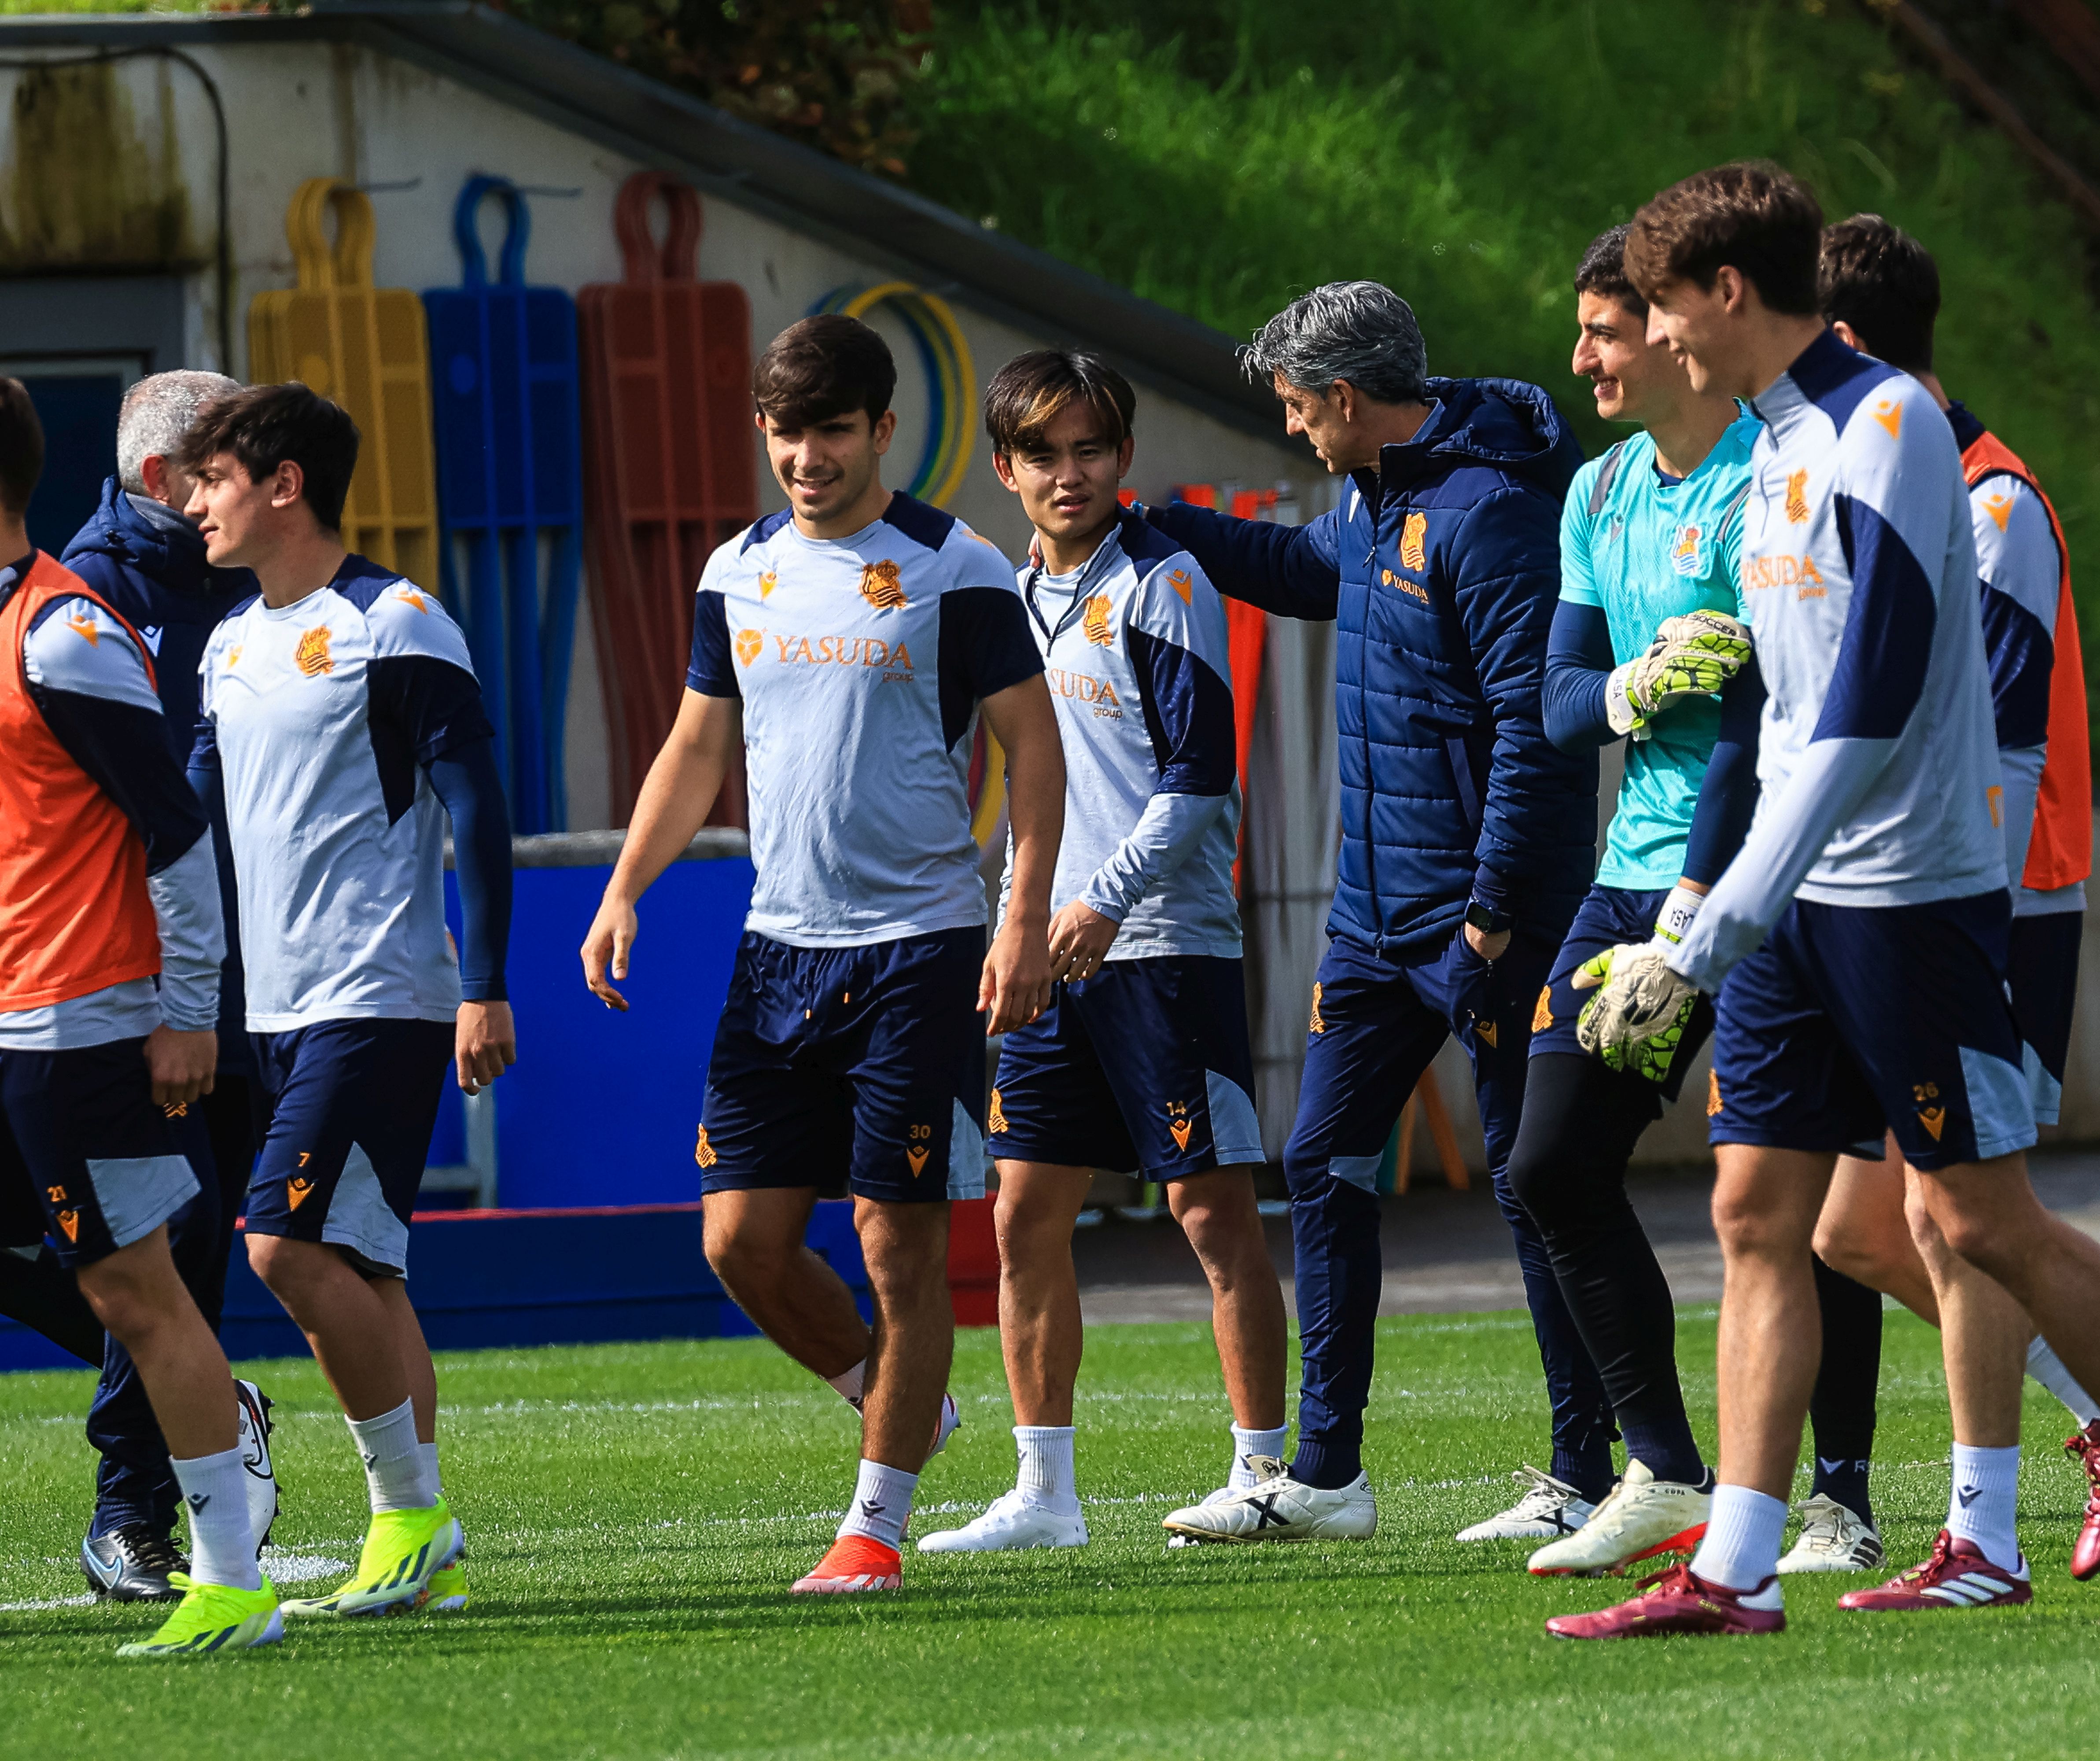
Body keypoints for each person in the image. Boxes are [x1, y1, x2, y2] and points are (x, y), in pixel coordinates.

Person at [1553, 161, 2100, 1640]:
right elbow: (1767, 710)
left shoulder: (1889, 426)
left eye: (1667, 309)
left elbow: (1868, 702)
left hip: (1907, 895)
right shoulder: (1773, 438)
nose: (1658, 339)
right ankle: (1734, 1572)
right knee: (1758, 1209)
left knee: (1979, 1221)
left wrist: (1720, 924)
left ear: (1730, 293)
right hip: (1792, 903)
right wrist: (1700, 915)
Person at [579, 316, 1064, 1595]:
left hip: (919, 949)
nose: (809, 456)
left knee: (895, 1243)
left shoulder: (954, 567)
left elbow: (1036, 747)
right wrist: (626, 886)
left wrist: (1019, 913)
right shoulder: (736, 570)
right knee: (738, 1242)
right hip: (777, 950)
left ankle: (877, 1524)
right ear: (765, 430)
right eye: (788, 432)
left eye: (834, 431)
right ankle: (896, 1398)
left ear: (883, 432)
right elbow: (695, 749)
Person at [1136, 281, 1614, 1545]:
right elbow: (1305, 569)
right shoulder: (1375, 497)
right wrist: (1159, 528)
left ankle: (1588, 1473)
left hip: (1489, 925)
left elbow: (1539, 728)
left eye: (1298, 410)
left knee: (1534, 1185)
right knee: (1321, 1161)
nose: (1294, 432)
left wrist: (1495, 916)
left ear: (1345, 399)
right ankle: (1327, 1478)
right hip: (1371, 924)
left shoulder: (1490, 513)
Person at [1773, 213, 2100, 1605]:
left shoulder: (1988, 502)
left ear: (1845, 339)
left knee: (1960, 1214)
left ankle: (2006, 1524)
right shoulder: (1868, 476)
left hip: (1994, 902)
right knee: (1861, 1227)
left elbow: (1998, 741)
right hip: (1888, 899)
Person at [916, 349, 1289, 1552]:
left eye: (1091, 450)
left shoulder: (1165, 579)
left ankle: (1267, 1473)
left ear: (1124, 459)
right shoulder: (1002, 599)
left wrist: (1103, 905)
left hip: (1163, 947)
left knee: (1209, 1211)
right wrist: (1018, 917)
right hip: (1046, 954)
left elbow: (1198, 783)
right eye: (1044, 455)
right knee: (1024, 1213)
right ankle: (1045, 1496)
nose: (1069, 474)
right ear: (1006, 470)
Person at [183, 383, 513, 1621]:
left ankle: (414, 1514)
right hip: (270, 1011)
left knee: (283, 1244)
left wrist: (484, 987)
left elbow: (477, 811)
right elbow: (195, 818)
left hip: (381, 993)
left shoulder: (398, 623)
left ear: (283, 486)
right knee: (365, 1269)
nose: (194, 503)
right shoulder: (227, 643)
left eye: (212, 479)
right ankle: (415, 1547)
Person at [0, 376, 277, 1657]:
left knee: (143, 1290)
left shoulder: (68, 630)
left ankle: (210, 1565)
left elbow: (175, 828)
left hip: (82, 1023)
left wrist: (182, 1011)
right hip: (24, 1015)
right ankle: (211, 1472)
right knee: (131, 1288)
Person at [1503, 226, 1754, 1578]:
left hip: (1740, 875)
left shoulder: (1765, 480)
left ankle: (1836, 1491)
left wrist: (1695, 913)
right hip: (1624, 874)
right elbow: (1552, 710)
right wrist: (1633, 689)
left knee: (1819, 1198)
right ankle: (1664, 1468)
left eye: (1605, 331)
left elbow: (1767, 724)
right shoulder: (1597, 494)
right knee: (1546, 1165)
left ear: (1672, 334)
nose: (1585, 357)